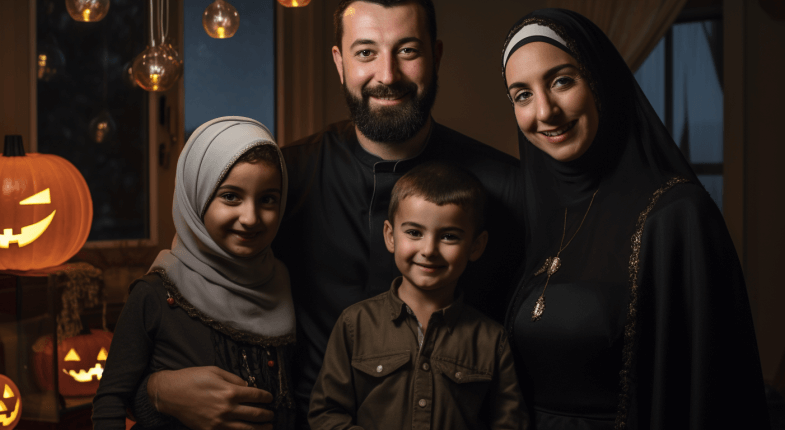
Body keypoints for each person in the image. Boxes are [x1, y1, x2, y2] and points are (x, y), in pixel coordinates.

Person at [132, 1, 524, 428]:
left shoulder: (505, 187)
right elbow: (183, 309)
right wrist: (157, 391)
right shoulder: (280, 185)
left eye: (407, 51)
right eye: (366, 52)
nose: (387, 75)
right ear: (339, 62)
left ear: (437, 56)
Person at [501, 9, 769, 429]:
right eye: (522, 95)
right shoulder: (544, 213)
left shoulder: (677, 215)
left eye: (561, 81)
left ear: (599, 80)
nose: (545, 111)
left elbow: (709, 394)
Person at [92, 117, 295, 430]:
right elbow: (111, 401)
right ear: (195, 197)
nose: (251, 217)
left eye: (268, 199)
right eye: (231, 196)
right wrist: (157, 398)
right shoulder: (154, 294)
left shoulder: (284, 282)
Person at [308, 162, 528, 430]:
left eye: (449, 236)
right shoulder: (355, 324)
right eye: (414, 233)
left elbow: (510, 424)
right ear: (390, 236)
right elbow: (326, 415)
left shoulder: (492, 340)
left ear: (476, 245)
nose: (429, 250)